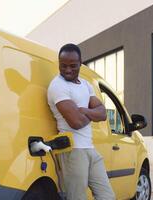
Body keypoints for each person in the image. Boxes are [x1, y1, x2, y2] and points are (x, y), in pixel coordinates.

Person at [47, 43, 115, 200]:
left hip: (90, 149)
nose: (68, 70)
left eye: (73, 66)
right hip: (73, 151)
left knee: (107, 196)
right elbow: (76, 122)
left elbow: (103, 113)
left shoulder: (85, 84)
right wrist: (92, 113)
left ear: (80, 64)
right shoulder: (58, 86)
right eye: (63, 66)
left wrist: (84, 110)